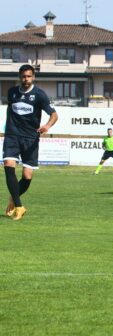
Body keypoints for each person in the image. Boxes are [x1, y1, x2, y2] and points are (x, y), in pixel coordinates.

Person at [3, 64, 58, 220]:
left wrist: (47, 126)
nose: (25, 79)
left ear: (33, 77)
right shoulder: (12, 92)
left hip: (30, 139)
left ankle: (13, 198)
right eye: (23, 76)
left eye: (28, 76)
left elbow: (54, 114)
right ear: (19, 77)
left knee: (27, 176)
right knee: (8, 165)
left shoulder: (39, 95)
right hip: (12, 136)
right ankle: (20, 207)